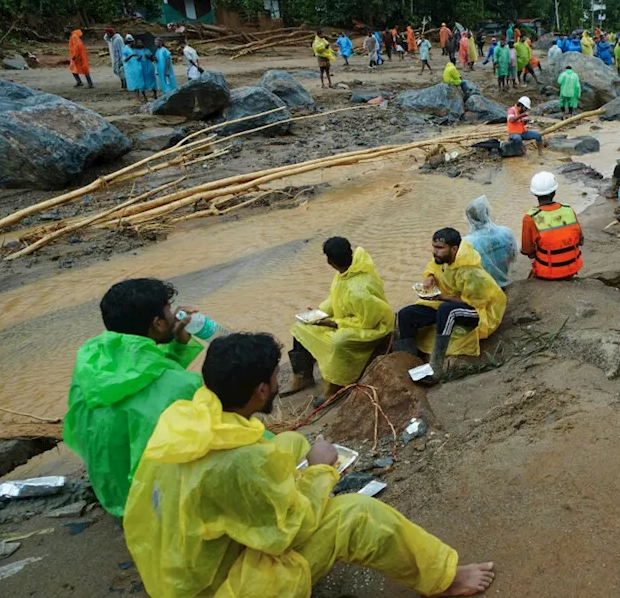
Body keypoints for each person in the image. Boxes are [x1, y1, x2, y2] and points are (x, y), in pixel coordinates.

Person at [124, 332, 495, 598]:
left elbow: (255, 460)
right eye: (274, 376)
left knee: (291, 443)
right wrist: (321, 471)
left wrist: (296, 459)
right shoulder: (238, 463)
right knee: (358, 516)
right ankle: (444, 579)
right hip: (218, 588)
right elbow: (288, 532)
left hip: (174, 573)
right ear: (261, 392)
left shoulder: (184, 419)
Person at [62, 278, 204, 516]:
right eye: (169, 311)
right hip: (151, 509)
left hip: (113, 496)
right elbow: (161, 386)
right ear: (159, 323)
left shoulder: (91, 362)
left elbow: (141, 379)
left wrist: (178, 347)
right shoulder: (183, 386)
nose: (173, 316)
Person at [288, 237, 393, 398]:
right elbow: (335, 298)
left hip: (374, 327)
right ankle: (303, 376)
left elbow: (368, 322)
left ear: (330, 262)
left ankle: (336, 383)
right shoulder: (344, 273)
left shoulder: (359, 289)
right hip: (349, 320)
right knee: (301, 326)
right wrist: (319, 311)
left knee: (339, 342)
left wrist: (333, 323)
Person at [396, 228, 506, 380]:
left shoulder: (470, 271)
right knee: (406, 314)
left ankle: (436, 366)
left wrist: (441, 296)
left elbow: (473, 301)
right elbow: (433, 267)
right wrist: (430, 277)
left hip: (479, 310)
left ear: (454, 249)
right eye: (434, 247)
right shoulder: (444, 260)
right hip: (451, 301)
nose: (434, 252)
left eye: (439, 248)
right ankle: (407, 359)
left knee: (447, 310)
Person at [521, 171, 583, 280]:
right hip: (573, 266)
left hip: (548, 271)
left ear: (535, 193)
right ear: (554, 192)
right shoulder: (568, 210)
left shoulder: (530, 218)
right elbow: (580, 240)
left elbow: (527, 250)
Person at [464, 196, 516, 288]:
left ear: (469, 218)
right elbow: (513, 256)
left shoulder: (467, 241)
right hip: (505, 281)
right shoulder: (506, 232)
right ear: (487, 213)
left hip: (484, 288)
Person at [123, 36, 150, 101]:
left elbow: (134, 58)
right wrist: (132, 55)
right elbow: (124, 59)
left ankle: (139, 98)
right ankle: (136, 98)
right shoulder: (125, 49)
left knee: (138, 83)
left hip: (136, 68)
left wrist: (138, 58)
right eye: (134, 42)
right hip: (131, 69)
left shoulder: (132, 49)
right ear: (131, 42)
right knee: (134, 84)